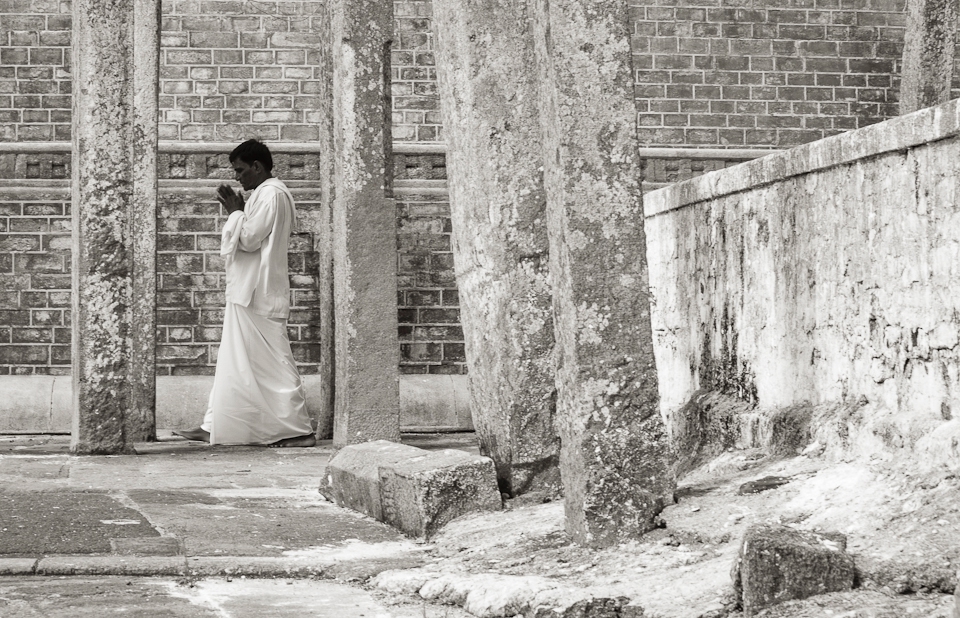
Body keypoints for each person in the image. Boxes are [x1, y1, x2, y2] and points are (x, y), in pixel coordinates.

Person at [176, 140, 316, 447]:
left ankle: (299, 429)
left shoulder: (272, 194)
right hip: (248, 291)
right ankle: (214, 425)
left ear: (257, 166)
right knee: (234, 361)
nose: (238, 178)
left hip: (260, 292)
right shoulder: (264, 194)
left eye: (241, 170)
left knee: (276, 363)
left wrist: (235, 211)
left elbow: (250, 240)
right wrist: (239, 211)